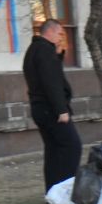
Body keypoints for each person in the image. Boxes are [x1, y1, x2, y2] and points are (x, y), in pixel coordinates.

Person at [23, 18, 81, 191]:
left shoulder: (34, 50)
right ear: (50, 31)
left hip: (40, 108)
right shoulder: (44, 51)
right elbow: (51, 82)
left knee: (54, 149)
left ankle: (53, 190)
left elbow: (49, 74)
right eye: (60, 33)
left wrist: (58, 55)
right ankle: (65, 189)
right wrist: (61, 110)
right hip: (51, 110)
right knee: (72, 146)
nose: (62, 37)